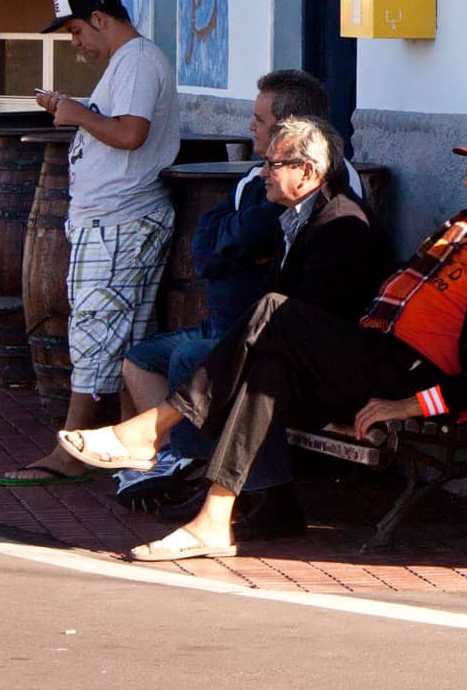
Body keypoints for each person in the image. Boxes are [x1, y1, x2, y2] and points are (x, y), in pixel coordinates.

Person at [57, 131, 467, 560]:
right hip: (375, 354)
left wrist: (407, 406)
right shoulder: (459, 229)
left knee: (274, 311)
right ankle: (214, 519)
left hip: (412, 376)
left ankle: (155, 428)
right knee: (266, 366)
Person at [118, 114, 390, 533]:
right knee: (213, 358)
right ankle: (221, 481)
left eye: (273, 165)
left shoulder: (341, 226)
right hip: (306, 358)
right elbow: (214, 244)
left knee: (250, 370)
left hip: (337, 376)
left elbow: (313, 319)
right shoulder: (299, 215)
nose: (262, 172)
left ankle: (230, 484)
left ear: (308, 171)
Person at [0, 0, 180, 486]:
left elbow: (130, 132)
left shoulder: (139, 62)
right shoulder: (129, 63)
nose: (74, 42)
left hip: (120, 217)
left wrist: (75, 113)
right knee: (119, 340)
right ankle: (124, 443)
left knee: (96, 334)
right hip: (113, 217)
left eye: (76, 30)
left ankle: (71, 451)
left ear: (100, 18)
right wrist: (72, 109)